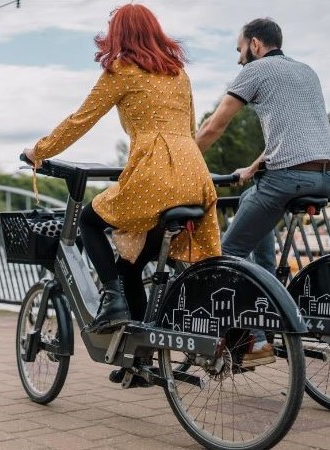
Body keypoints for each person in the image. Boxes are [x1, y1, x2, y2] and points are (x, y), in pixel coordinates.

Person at [23, 3, 221, 336]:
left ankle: (111, 300)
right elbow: (188, 126)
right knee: (131, 265)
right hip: (194, 175)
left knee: (88, 220)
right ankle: (141, 361)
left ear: (118, 35)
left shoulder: (122, 69)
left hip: (154, 174)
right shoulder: (178, 72)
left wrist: (39, 151)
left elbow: (80, 120)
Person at [195, 18, 330, 365]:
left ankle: (255, 340)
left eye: (240, 50)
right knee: (250, 203)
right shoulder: (306, 71)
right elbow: (298, 135)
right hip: (322, 178)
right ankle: (269, 292)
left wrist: (182, 161)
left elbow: (214, 125)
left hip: (286, 179)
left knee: (228, 255)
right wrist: (255, 167)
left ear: (255, 45)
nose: (239, 59)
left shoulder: (255, 71)